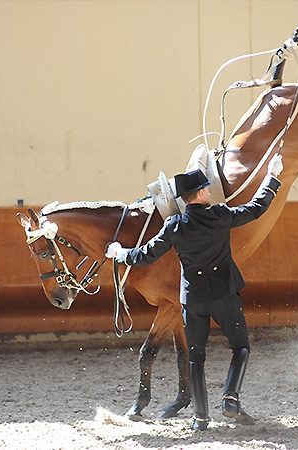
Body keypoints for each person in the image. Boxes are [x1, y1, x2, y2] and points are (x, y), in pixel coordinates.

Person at [105, 153, 283, 431]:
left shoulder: (174, 226)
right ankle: (230, 399)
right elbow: (256, 208)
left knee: (196, 357)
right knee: (241, 347)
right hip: (225, 295)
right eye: (207, 188)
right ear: (200, 193)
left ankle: (200, 417)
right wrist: (272, 177)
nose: (211, 191)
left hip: (194, 301)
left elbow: (145, 255)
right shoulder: (221, 215)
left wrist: (120, 254)